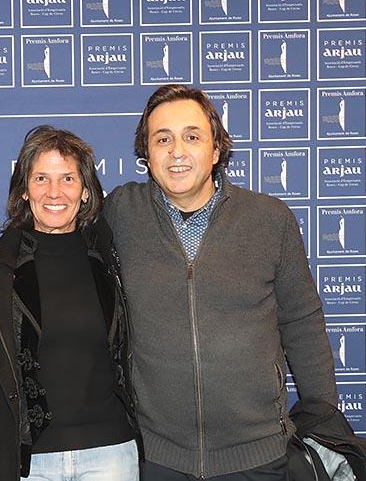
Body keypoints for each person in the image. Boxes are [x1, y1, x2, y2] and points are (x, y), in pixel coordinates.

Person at [103, 85, 337, 480]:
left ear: (215, 151)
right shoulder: (119, 214)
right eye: (163, 139)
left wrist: (325, 426)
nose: (177, 151)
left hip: (259, 457)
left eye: (192, 137)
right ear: (147, 155)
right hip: (157, 458)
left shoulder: (270, 220)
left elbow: (303, 324)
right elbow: (56, 225)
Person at [0, 126, 139, 481]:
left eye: (68, 178)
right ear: (24, 190)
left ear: (85, 191)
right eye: (41, 179)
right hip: (29, 463)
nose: (55, 192)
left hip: (112, 454)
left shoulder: (112, 260)